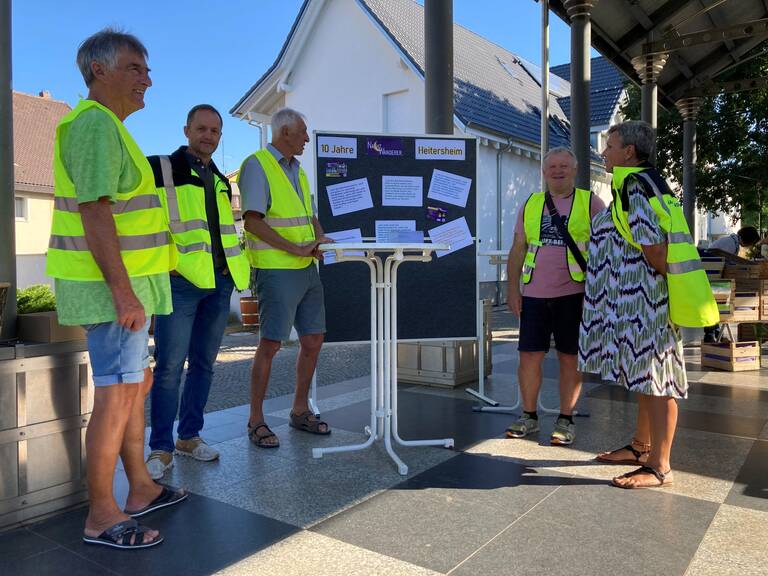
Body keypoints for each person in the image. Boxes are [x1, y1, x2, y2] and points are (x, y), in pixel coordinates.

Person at [46, 29, 186, 549]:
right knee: (117, 393)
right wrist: (125, 294)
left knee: (135, 385)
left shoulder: (110, 127)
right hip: (111, 293)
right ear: (98, 71)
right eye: (134, 68)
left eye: (147, 70)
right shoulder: (92, 126)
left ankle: (141, 488)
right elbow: (95, 211)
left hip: (130, 292)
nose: (146, 79)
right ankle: (101, 514)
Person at [579, 120, 716, 488]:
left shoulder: (635, 187)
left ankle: (660, 465)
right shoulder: (642, 183)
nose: (603, 152)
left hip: (645, 301)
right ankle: (641, 447)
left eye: (609, 146)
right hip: (637, 299)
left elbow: (655, 249)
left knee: (659, 379)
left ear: (628, 152)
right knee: (644, 376)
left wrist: (644, 290)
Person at [144, 105, 251, 479]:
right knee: (170, 367)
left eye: (215, 131)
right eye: (202, 129)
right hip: (181, 282)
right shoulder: (161, 168)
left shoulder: (220, 178)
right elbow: (143, 218)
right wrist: (166, 263)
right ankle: (160, 448)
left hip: (219, 282)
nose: (208, 136)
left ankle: (189, 437)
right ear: (187, 129)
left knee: (204, 365)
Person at [238, 107, 332, 448]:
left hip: (307, 269)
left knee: (313, 339)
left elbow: (309, 216)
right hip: (277, 270)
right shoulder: (256, 164)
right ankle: (256, 420)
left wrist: (320, 238)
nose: (308, 138)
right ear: (285, 133)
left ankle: (299, 410)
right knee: (271, 344)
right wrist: (296, 249)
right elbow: (253, 222)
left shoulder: (299, 170)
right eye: (303, 132)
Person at [505, 147, 605, 445]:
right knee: (529, 357)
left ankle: (566, 418)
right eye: (553, 167)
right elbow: (518, 248)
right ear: (544, 172)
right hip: (534, 294)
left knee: (569, 358)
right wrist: (512, 289)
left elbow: (607, 249)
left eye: (564, 166)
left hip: (575, 295)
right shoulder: (532, 203)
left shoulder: (591, 203)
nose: (558, 171)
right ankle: (529, 415)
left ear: (574, 170)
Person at [702, 226, 762, 342]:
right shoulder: (730, 244)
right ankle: (710, 333)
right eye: (752, 243)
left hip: (712, 278)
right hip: (713, 279)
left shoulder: (730, 241)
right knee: (716, 305)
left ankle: (715, 331)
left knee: (717, 306)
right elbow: (728, 263)